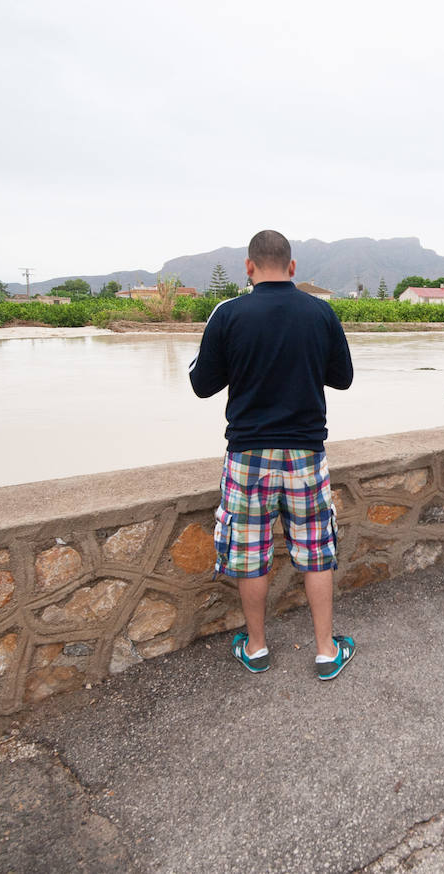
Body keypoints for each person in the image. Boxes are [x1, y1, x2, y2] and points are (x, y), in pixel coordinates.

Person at [188, 229, 357, 679]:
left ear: (248, 267)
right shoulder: (320, 313)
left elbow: (201, 384)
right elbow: (343, 379)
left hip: (247, 454)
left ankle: (257, 647)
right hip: (305, 452)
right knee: (316, 549)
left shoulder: (228, 313)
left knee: (250, 551)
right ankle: (325, 650)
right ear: (292, 267)